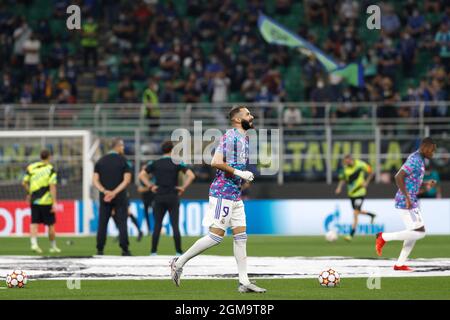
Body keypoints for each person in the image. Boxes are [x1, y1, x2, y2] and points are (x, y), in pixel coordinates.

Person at [169, 105, 267, 293]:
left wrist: (242, 178)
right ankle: (178, 262)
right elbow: (215, 161)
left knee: (241, 238)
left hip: (234, 194)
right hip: (223, 193)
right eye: (248, 114)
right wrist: (240, 173)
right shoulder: (230, 137)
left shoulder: (244, 139)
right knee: (215, 237)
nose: (252, 116)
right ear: (238, 119)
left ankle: (244, 282)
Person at [376, 138, 437, 271]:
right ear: (426, 147)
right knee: (420, 232)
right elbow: (398, 176)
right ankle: (383, 236)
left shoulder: (420, 159)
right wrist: (407, 197)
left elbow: (413, 182)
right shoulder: (415, 159)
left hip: (410, 199)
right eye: (433, 150)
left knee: (413, 232)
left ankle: (399, 264)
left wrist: (426, 185)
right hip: (406, 201)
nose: (434, 153)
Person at [139, 141, 195, 256]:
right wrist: (183, 187)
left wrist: (150, 186)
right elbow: (191, 175)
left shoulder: (154, 163)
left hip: (159, 196)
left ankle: (153, 251)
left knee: (157, 225)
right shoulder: (177, 162)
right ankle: (178, 251)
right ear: (172, 150)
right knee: (175, 225)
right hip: (172, 196)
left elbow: (141, 175)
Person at [93, 138, 132, 256]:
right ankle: (124, 249)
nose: (123, 148)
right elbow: (127, 180)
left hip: (105, 198)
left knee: (102, 223)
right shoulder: (124, 161)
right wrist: (114, 192)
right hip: (119, 197)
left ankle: (100, 249)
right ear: (118, 146)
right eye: (122, 146)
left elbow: (95, 180)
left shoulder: (100, 161)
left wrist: (105, 191)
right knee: (122, 223)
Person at [22, 149, 61, 254]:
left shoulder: (31, 167)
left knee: (34, 223)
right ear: (49, 157)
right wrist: (54, 202)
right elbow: (52, 186)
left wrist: (30, 193)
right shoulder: (50, 169)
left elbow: (24, 183)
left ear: (40, 157)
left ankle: (34, 244)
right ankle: (53, 246)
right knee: (51, 225)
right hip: (47, 201)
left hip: (34, 201)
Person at [335, 154, 377, 241]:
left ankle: (351, 234)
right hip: (352, 194)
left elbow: (372, 172)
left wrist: (366, 182)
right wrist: (339, 188)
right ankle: (372, 215)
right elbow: (343, 179)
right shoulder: (345, 169)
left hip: (360, 192)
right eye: (346, 162)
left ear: (351, 159)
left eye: (349, 161)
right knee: (357, 211)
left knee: (355, 213)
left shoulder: (361, 164)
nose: (348, 163)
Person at [137, 164, 155, 235]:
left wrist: (146, 188)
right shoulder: (141, 180)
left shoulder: (152, 178)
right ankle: (149, 230)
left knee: (156, 214)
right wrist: (149, 188)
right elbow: (140, 190)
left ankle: (157, 229)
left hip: (153, 198)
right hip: (145, 199)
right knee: (146, 214)